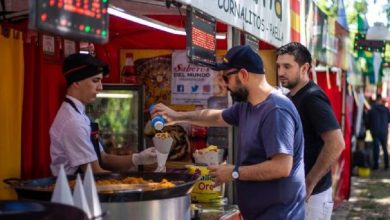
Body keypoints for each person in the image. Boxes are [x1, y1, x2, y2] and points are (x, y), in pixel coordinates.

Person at [151, 45, 305, 219]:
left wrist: (234, 172)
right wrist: (176, 116)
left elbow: (281, 167)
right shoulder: (247, 106)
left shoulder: (276, 111)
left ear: (244, 75)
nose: (224, 84)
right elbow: (214, 117)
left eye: (226, 77)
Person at [50, 53, 157, 176]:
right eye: (95, 81)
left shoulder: (79, 114)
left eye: (100, 81)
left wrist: (139, 158)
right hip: (74, 191)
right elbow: (95, 173)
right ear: (76, 82)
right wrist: (132, 184)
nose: (100, 87)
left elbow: (104, 159)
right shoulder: (73, 122)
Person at [276, 42, 345, 220]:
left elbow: (336, 143)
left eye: (287, 66)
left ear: (304, 67)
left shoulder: (312, 97)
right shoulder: (291, 96)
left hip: (312, 197)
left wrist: (310, 182)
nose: (280, 72)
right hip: (297, 194)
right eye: (278, 66)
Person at [366, 94, 390, 170]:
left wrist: (369, 128)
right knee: (384, 148)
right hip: (384, 131)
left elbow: (367, 121)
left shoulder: (371, 109)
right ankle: (386, 165)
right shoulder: (386, 110)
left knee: (376, 148)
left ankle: (376, 165)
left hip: (375, 131)